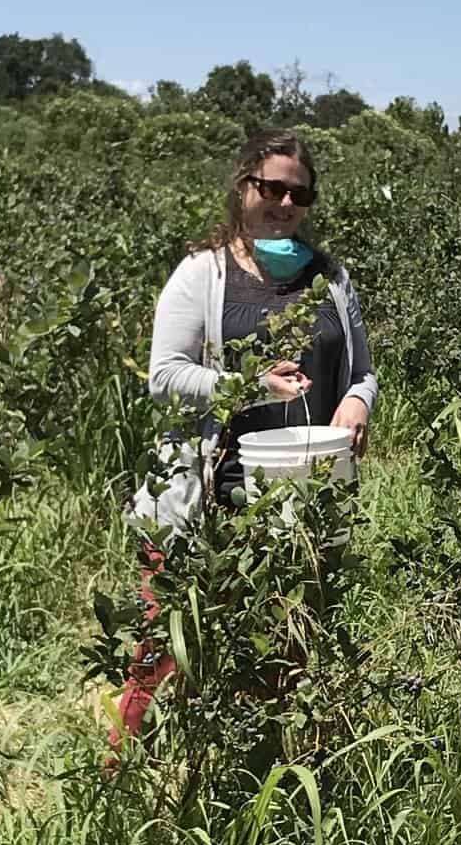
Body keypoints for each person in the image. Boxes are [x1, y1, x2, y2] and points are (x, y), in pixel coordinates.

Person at [106, 129, 377, 768]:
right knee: (161, 651)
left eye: (299, 193)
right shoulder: (203, 274)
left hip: (298, 504)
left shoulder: (331, 279)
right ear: (242, 188)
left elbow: (362, 370)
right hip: (204, 501)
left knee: (290, 654)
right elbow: (165, 376)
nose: (285, 203)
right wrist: (247, 385)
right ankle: (117, 780)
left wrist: (358, 401)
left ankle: (265, 783)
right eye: (272, 188)